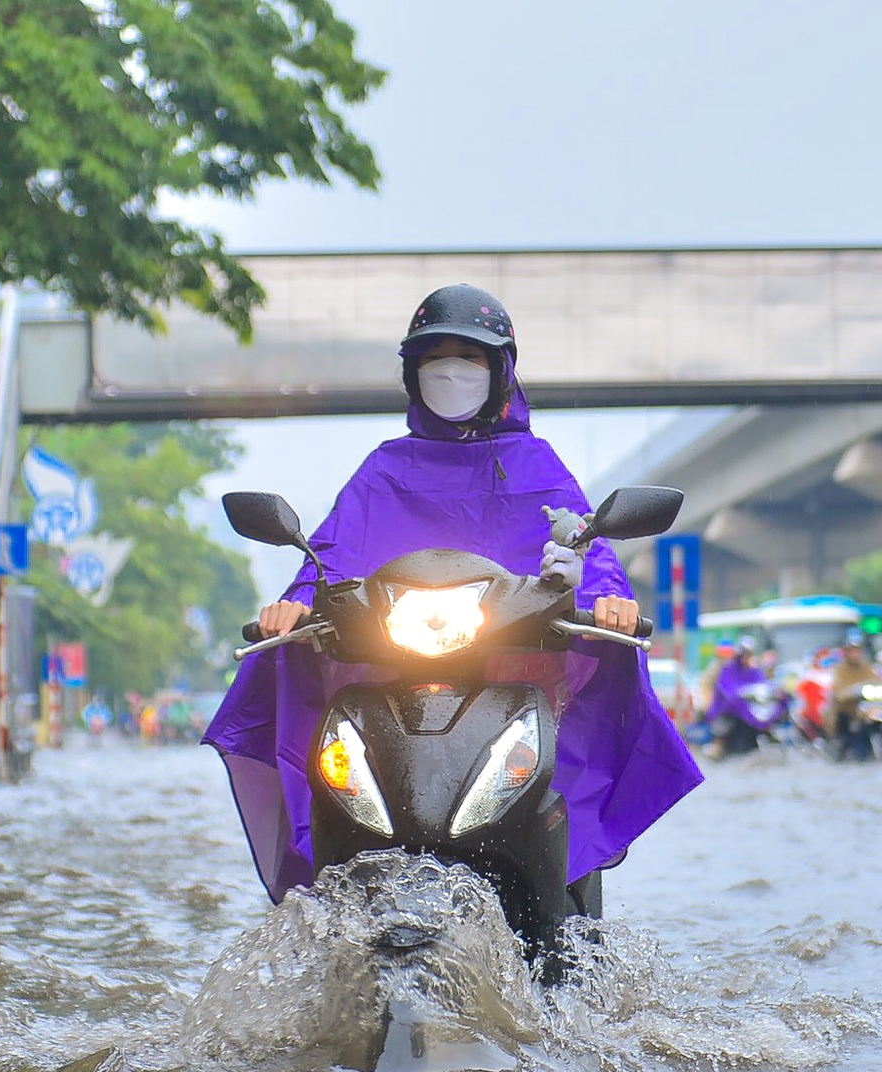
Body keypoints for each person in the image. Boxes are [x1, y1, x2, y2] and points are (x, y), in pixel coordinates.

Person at [203, 282, 702, 905]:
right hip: (390, 680)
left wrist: (608, 599)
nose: (451, 372)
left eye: (469, 357)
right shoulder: (383, 470)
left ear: (500, 371)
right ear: (413, 374)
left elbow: (585, 550)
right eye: (434, 358)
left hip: (517, 678)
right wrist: (294, 606)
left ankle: (567, 928)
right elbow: (329, 558)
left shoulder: (536, 466)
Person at [704, 638, 785, 758]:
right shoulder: (727, 670)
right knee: (721, 737)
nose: (747, 658)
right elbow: (728, 691)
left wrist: (775, 693)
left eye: (749, 655)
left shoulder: (754, 671)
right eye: (745, 655)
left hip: (753, 712)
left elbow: (763, 685)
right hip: (727, 713)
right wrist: (738, 696)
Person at [825, 632, 882, 757]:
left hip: (865, 709)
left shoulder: (866, 667)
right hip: (846, 711)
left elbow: (877, 681)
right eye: (852, 651)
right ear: (846, 652)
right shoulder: (841, 669)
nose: (855, 654)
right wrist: (852, 692)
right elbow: (838, 690)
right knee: (847, 736)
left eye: (857, 651)